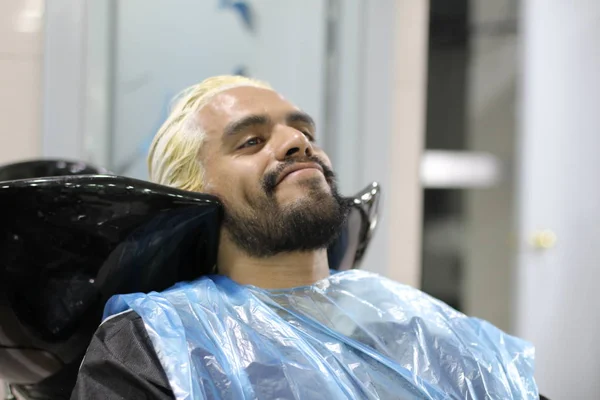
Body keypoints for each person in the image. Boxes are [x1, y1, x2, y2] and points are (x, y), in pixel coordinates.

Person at [70, 76, 543, 399]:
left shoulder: (414, 324)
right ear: (195, 196)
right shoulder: (154, 343)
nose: (298, 143)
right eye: (251, 141)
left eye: (302, 131)